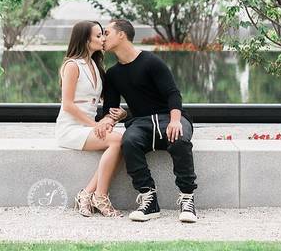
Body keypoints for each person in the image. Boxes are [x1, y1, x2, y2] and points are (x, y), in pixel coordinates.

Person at [94, 18, 198, 223]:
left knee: (179, 140)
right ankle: (149, 201)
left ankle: (188, 199)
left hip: (170, 116)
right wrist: (108, 120)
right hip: (141, 122)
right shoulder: (113, 74)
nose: (103, 38)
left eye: (106, 33)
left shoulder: (151, 61)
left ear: (121, 35)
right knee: (129, 142)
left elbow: (173, 94)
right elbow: (111, 109)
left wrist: (175, 121)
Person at [55, 20, 126, 217]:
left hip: (87, 127)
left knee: (121, 140)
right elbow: (68, 105)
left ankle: (88, 194)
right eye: (98, 36)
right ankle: (99, 196)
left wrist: (121, 114)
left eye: (103, 34)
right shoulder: (72, 65)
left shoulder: (95, 65)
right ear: (86, 40)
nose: (103, 38)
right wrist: (95, 125)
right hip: (70, 128)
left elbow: (101, 101)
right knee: (118, 140)